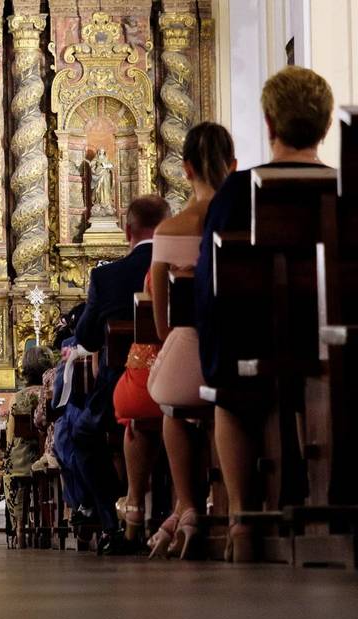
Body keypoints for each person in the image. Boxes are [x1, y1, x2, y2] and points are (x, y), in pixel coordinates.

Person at [194, 66, 333, 562]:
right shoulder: (344, 189)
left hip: (256, 342)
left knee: (227, 394)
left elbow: (212, 287)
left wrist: (213, 353)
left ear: (270, 123)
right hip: (330, 343)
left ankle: (242, 519)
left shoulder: (237, 192)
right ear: (324, 126)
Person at [145, 123, 236, 559]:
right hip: (246, 347)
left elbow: (161, 325)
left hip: (190, 348)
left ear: (185, 170)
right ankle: (231, 507)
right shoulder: (251, 220)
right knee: (223, 399)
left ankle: (188, 506)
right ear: (233, 166)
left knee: (173, 407)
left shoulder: (168, 232)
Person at [72, 194, 168, 555]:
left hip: (124, 388)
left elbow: (86, 337)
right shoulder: (184, 264)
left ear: (127, 230)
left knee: (84, 437)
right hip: (182, 379)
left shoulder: (107, 276)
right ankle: (163, 509)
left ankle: (116, 519)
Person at [111, 197, 172, 546]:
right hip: (216, 358)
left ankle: (132, 503)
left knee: (139, 405)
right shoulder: (207, 236)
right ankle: (189, 505)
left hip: (159, 376)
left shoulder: (110, 276)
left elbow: (161, 328)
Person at [2, 347, 57, 547]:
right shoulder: (51, 391)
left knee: (9, 470)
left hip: (22, 460)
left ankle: (19, 527)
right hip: (51, 454)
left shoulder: (18, 397)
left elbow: (10, 437)